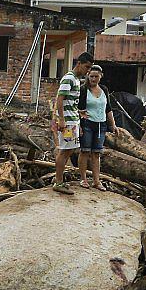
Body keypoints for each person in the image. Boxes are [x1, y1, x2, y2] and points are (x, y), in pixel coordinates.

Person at [50, 51, 93, 193]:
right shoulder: (68, 78)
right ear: (79, 64)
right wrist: (61, 119)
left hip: (72, 120)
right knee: (65, 151)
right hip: (67, 122)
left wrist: (78, 117)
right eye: (86, 67)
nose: (87, 71)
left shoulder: (75, 80)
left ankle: (59, 179)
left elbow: (71, 102)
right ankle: (58, 182)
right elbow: (60, 99)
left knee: (69, 151)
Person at [78, 64, 116, 189]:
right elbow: (78, 108)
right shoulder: (83, 89)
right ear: (88, 76)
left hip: (101, 124)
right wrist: (79, 125)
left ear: (101, 77)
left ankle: (96, 180)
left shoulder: (104, 89)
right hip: (87, 123)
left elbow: (108, 108)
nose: (93, 79)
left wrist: (113, 125)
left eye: (96, 76)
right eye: (91, 76)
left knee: (96, 153)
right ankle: (83, 179)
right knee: (85, 151)